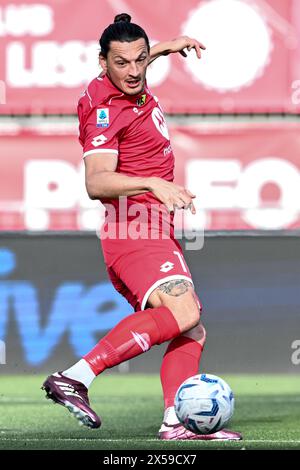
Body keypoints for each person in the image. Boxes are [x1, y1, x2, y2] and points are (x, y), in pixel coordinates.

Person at [42, 13, 242, 441]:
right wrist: (154, 181)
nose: (134, 71)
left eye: (141, 59)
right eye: (122, 63)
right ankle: (76, 377)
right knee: (184, 312)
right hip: (134, 225)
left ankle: (175, 422)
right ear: (102, 63)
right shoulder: (104, 110)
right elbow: (96, 182)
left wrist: (169, 46)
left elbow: (139, 59)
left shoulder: (129, 77)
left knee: (192, 328)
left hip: (152, 226)